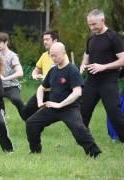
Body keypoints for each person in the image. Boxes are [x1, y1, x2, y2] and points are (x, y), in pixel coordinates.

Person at [26, 42, 101, 158]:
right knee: (31, 123)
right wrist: (40, 102)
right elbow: (41, 88)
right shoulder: (53, 70)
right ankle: (35, 151)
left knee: (79, 128)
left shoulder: (72, 70)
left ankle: (94, 152)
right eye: (51, 55)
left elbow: (77, 92)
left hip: (69, 108)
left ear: (64, 53)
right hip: (52, 107)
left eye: (56, 55)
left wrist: (60, 104)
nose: (53, 58)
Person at [80, 9, 124, 142]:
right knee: (83, 112)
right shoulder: (91, 37)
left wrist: (103, 67)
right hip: (91, 82)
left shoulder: (113, 37)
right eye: (90, 25)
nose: (92, 27)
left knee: (114, 113)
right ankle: (84, 138)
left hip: (108, 82)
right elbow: (86, 55)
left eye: (94, 24)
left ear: (102, 21)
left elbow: (122, 60)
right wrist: (83, 65)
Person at [21, 30, 59, 120]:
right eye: (44, 40)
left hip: (57, 92)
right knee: (25, 113)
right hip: (43, 90)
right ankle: (33, 125)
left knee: (50, 115)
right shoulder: (44, 55)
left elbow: (61, 75)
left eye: (47, 39)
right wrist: (35, 75)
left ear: (55, 40)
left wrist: (45, 77)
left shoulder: (61, 56)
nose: (45, 42)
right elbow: (36, 70)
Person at [0, 32, 24, 120]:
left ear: (6, 42)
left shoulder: (12, 56)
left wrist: (5, 78)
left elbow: (20, 73)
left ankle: (27, 117)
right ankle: (2, 117)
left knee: (16, 100)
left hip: (11, 86)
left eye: (0, 42)